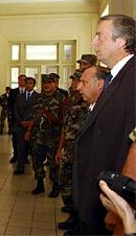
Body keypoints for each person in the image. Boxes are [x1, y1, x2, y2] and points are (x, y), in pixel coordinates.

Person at [74, 14, 135, 234]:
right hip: (99, 197)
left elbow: (131, 149)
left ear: (121, 42)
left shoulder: (132, 79)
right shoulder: (118, 78)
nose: (93, 41)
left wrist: (121, 204)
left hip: (113, 201)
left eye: (100, 35)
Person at [54, 69, 88, 233]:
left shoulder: (90, 101)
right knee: (65, 184)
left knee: (81, 189)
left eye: (78, 80)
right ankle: (73, 215)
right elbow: (64, 126)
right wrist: (59, 149)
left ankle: (78, 222)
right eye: (74, 80)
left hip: (83, 154)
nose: (75, 83)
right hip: (68, 151)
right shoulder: (71, 100)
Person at [30, 74, 64, 197]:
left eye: (50, 83)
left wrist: (50, 116)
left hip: (53, 137)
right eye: (45, 83)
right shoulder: (38, 98)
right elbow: (33, 116)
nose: (46, 85)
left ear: (55, 84)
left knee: (53, 163)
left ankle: (55, 186)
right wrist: (30, 130)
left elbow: (63, 121)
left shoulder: (61, 99)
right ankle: (40, 184)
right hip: (38, 136)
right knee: (37, 161)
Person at [13, 77, 39, 174]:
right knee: (20, 148)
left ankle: (37, 171)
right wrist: (21, 121)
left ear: (33, 85)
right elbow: (15, 110)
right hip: (21, 126)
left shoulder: (38, 97)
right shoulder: (19, 97)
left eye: (30, 83)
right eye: (26, 83)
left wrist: (31, 122)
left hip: (33, 127)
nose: (28, 85)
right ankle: (20, 167)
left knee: (34, 150)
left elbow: (39, 112)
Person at [7, 74, 27, 163]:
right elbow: (10, 105)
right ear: (18, 81)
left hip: (26, 120)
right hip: (16, 120)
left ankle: (25, 157)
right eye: (21, 80)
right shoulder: (13, 92)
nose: (22, 81)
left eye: (24, 80)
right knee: (15, 139)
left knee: (26, 139)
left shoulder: (29, 91)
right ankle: (15, 155)